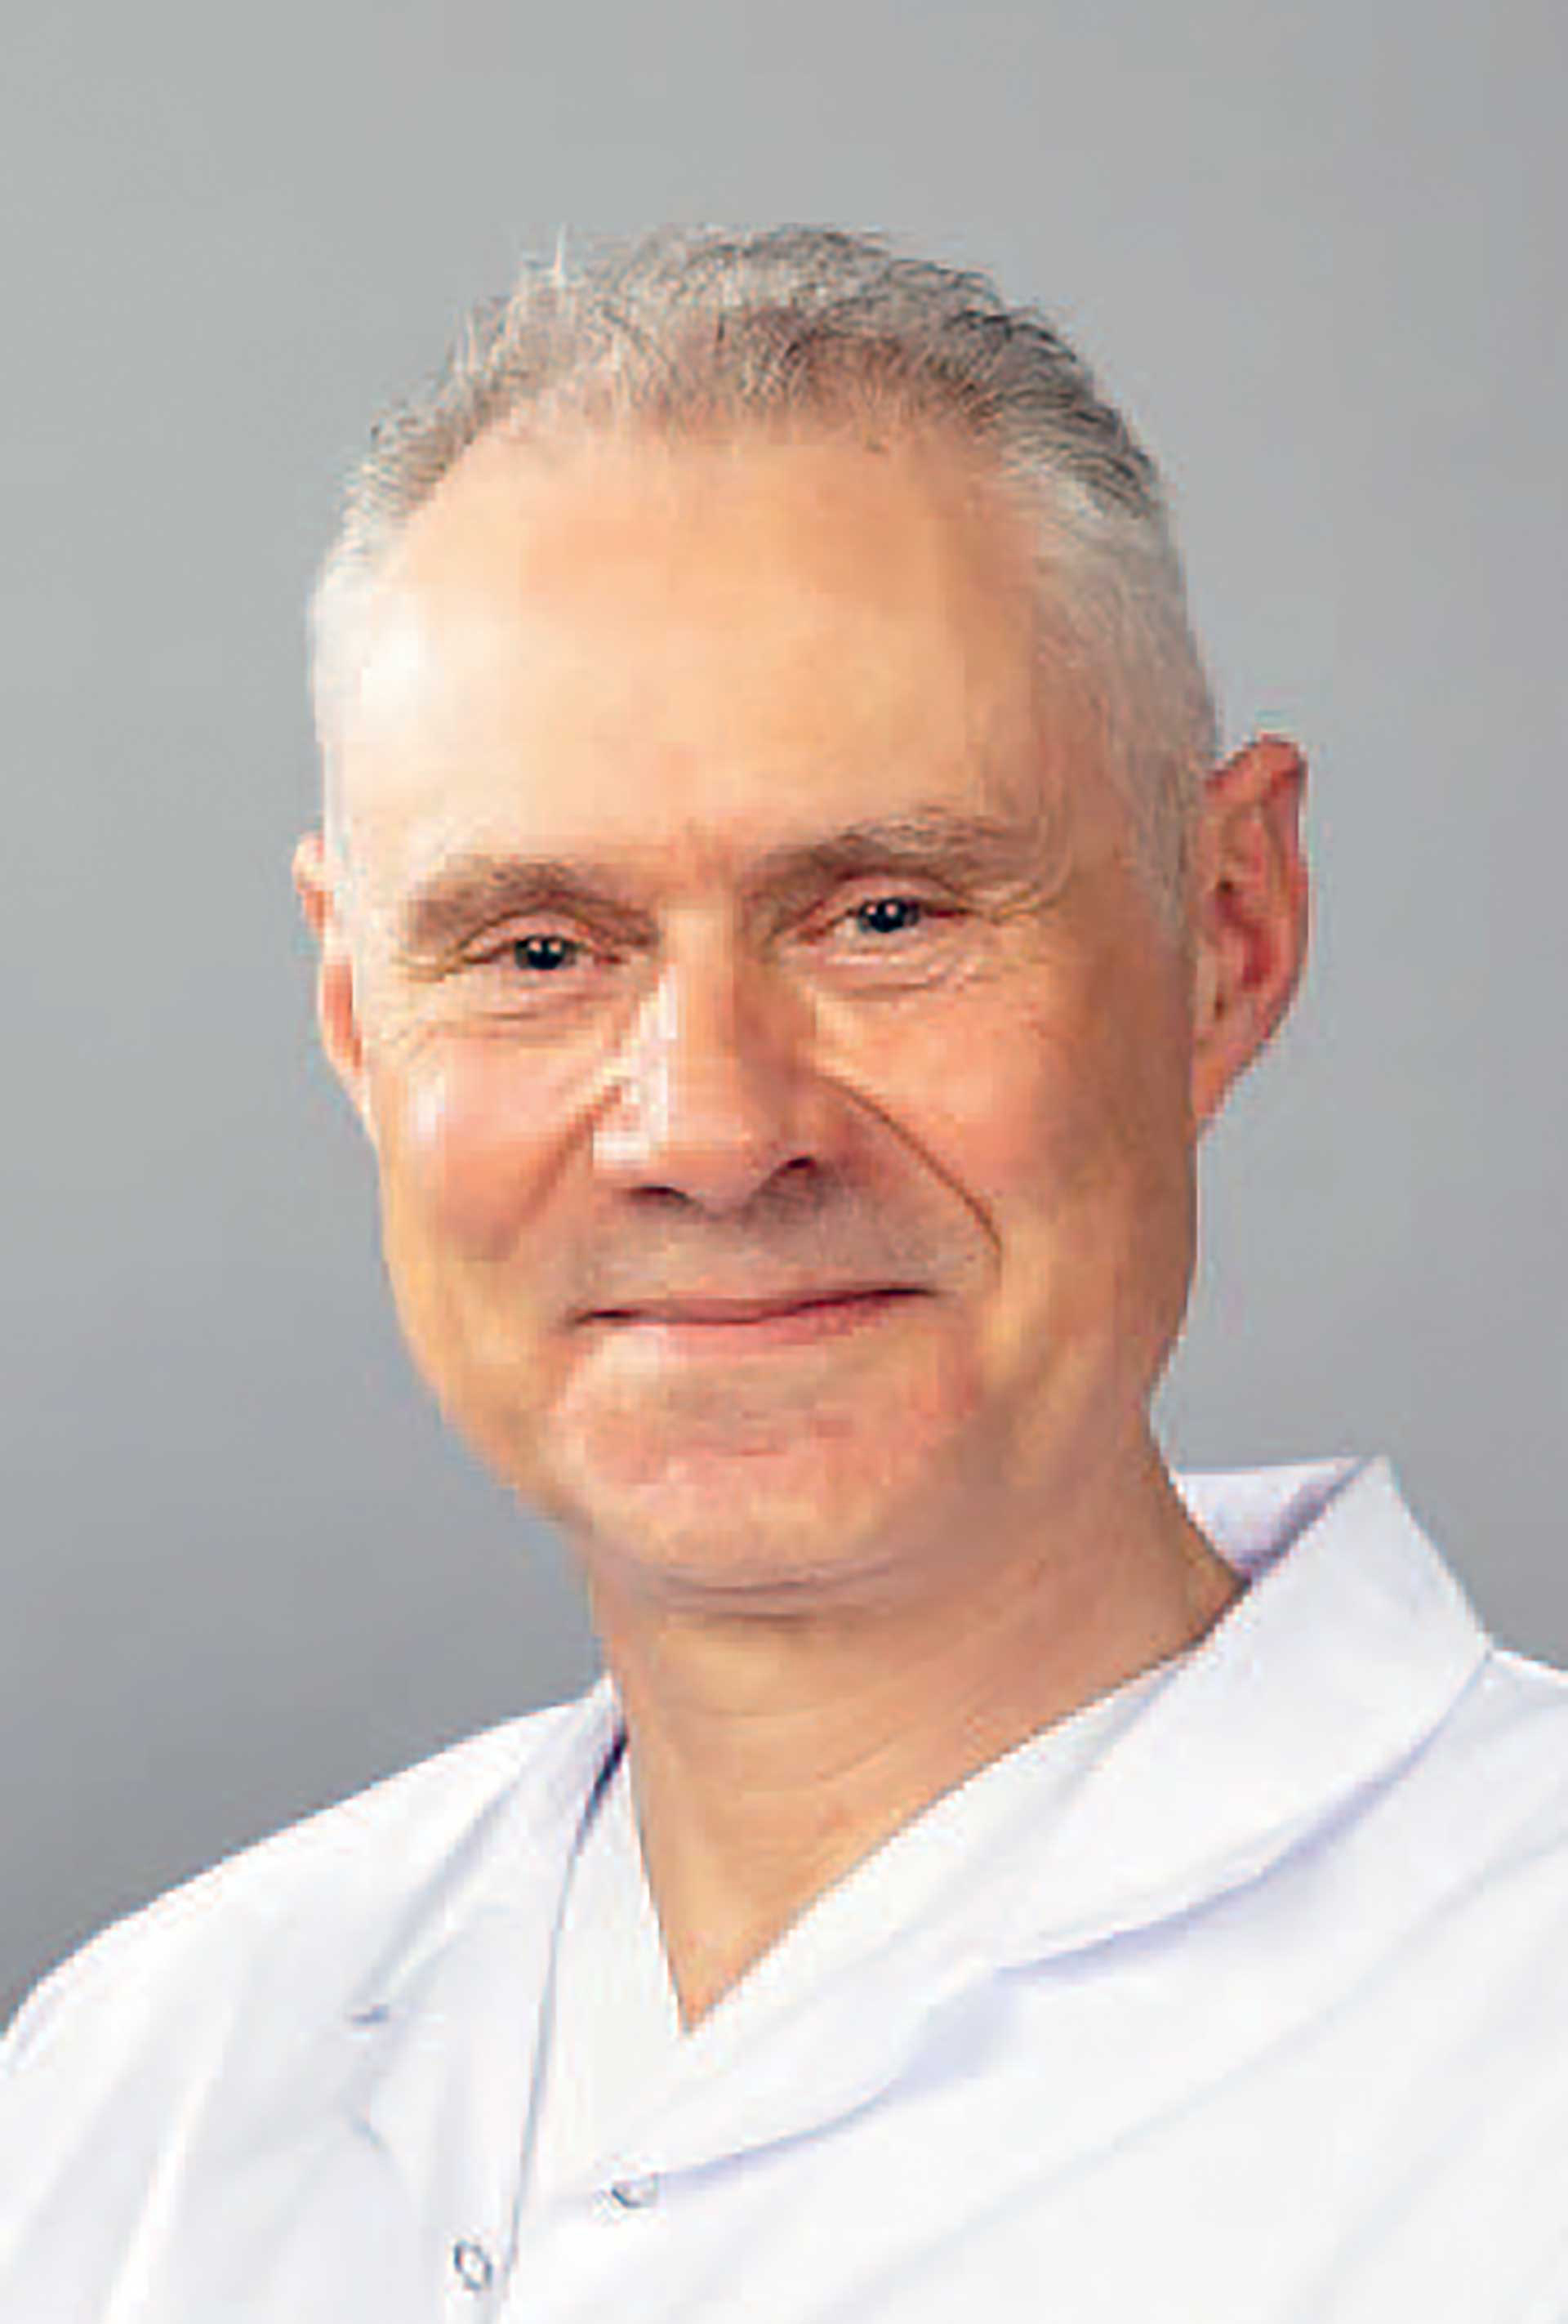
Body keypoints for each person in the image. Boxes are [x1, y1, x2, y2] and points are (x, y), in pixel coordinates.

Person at [2, 225, 1565, 2322]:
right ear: (359, 1018)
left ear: (1227, 934)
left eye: (886, 914)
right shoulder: (134, 2097)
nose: (710, 1127)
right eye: (536, 949)